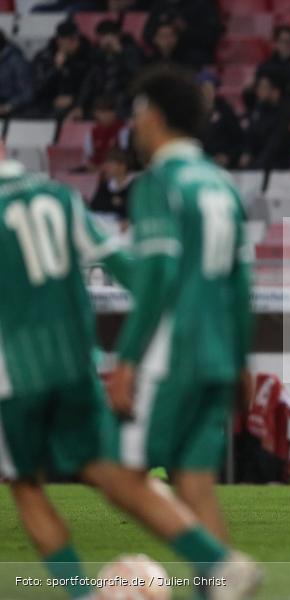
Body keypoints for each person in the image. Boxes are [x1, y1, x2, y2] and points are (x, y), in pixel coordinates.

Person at [0, 140, 260, 600]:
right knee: (111, 472)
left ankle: (82, 595)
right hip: (75, 366)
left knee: (26, 486)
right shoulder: (59, 197)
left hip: (11, 375)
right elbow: (124, 264)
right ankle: (215, 560)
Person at [106, 66, 257, 558]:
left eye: (136, 114)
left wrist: (126, 358)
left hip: (173, 353)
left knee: (121, 475)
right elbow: (241, 285)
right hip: (216, 354)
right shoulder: (223, 185)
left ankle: (221, 566)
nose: (133, 126)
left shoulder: (157, 183)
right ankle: (217, 587)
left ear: (152, 115)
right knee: (193, 483)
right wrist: (241, 362)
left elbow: (158, 276)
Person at [78, 19, 143, 118]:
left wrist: (120, 53)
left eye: (110, 36)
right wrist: (79, 105)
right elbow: (88, 82)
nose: (106, 41)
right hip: (100, 101)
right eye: (102, 37)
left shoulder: (131, 51)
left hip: (125, 101)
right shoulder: (96, 55)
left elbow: (137, 76)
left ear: (118, 36)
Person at [32, 20, 92, 119]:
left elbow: (90, 85)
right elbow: (39, 87)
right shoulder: (44, 57)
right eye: (70, 39)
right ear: (59, 40)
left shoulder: (87, 56)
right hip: (49, 103)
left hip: (80, 103)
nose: (74, 43)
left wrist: (74, 100)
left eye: (76, 39)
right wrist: (56, 68)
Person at [255, 24, 290, 101]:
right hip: (268, 107)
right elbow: (254, 96)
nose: (287, 45)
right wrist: (249, 91)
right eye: (283, 41)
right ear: (276, 44)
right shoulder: (265, 67)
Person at [90, 146, 133, 222]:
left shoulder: (135, 186)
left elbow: (133, 208)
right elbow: (95, 205)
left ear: (122, 166)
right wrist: (113, 202)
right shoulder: (105, 186)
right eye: (107, 164)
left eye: (111, 164)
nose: (107, 167)